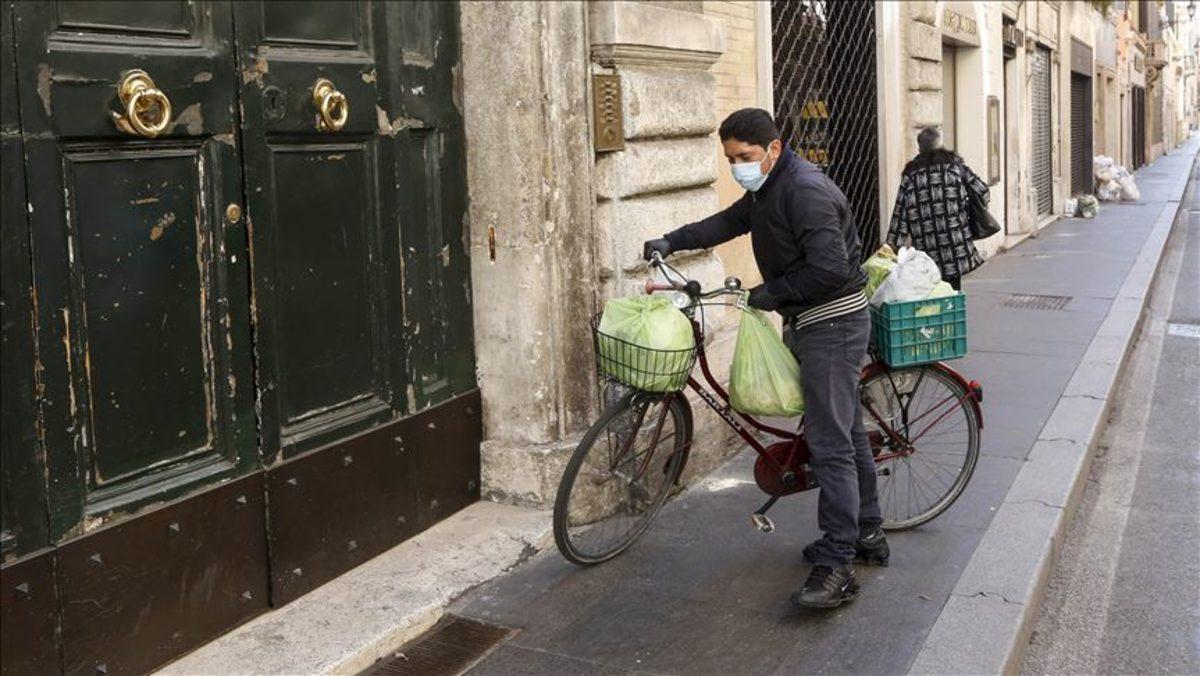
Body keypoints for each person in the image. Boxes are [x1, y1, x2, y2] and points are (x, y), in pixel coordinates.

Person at [642, 108, 886, 610]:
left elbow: (829, 269)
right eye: (731, 159)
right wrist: (673, 240)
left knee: (829, 444)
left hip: (834, 325)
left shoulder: (805, 191)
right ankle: (867, 533)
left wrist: (771, 292)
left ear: (774, 148)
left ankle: (837, 564)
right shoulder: (768, 188)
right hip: (812, 322)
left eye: (745, 157)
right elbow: (727, 222)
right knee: (844, 433)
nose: (738, 167)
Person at [886, 127, 990, 290]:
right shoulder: (956, 168)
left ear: (919, 148)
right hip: (954, 243)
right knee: (953, 290)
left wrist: (892, 246)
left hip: (926, 247)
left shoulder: (911, 176)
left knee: (931, 291)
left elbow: (900, 214)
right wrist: (964, 211)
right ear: (940, 144)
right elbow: (982, 192)